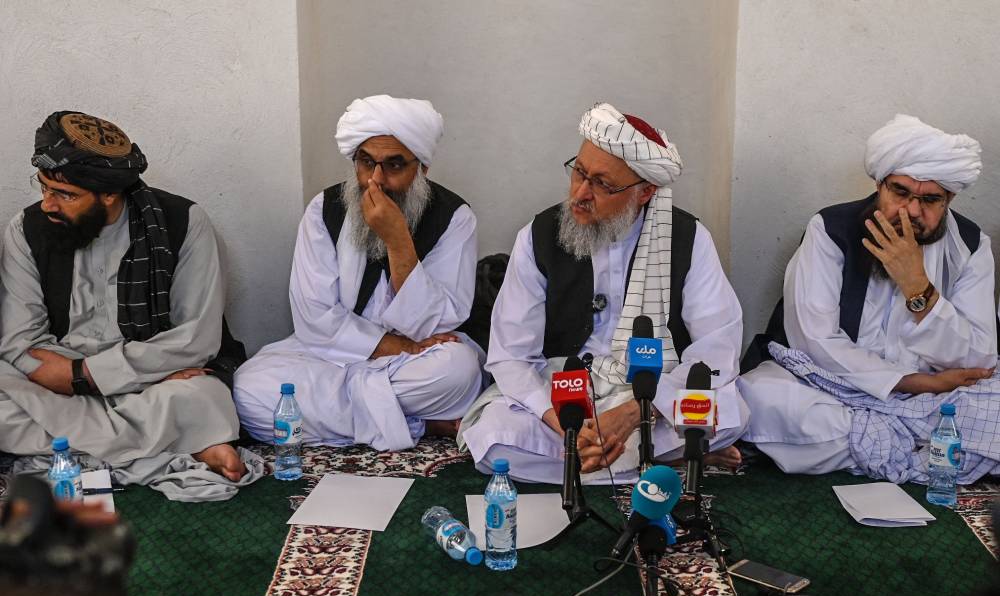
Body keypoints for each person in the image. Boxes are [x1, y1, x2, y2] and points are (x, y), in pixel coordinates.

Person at [459, 103, 748, 483]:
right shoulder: (538, 235)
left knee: (731, 411)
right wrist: (565, 423)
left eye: (602, 184)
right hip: (563, 385)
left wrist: (635, 414)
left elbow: (716, 347)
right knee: (494, 438)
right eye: (579, 172)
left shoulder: (688, 239)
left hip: (651, 391)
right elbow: (511, 355)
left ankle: (590, 461)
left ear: (645, 192)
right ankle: (665, 458)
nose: (580, 193)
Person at [740, 114, 998, 478]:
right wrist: (911, 382)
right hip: (830, 387)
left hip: (935, 399)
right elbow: (813, 340)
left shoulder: (971, 246)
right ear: (880, 185)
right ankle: (923, 450)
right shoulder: (831, 229)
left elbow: (980, 357)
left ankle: (874, 445)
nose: (911, 211)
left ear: (949, 199)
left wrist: (917, 287)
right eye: (901, 192)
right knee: (761, 398)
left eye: (930, 199)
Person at [0, 111, 246, 481]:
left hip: (150, 379)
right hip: (67, 381)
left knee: (199, 395)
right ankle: (182, 442)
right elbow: (21, 341)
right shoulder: (26, 229)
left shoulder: (183, 222)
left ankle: (84, 447)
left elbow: (195, 338)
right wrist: (68, 377)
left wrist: (83, 376)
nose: (48, 204)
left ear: (110, 194)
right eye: (44, 187)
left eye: (65, 194)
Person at [233, 95, 482, 451]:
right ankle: (419, 422)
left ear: (422, 168)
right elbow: (314, 317)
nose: (376, 180)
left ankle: (365, 416)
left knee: (459, 371)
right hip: (331, 355)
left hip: (412, 363)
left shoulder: (455, 218)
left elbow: (441, 320)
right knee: (249, 389)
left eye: (394, 165)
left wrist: (398, 241)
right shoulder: (323, 210)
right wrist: (396, 346)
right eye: (366, 162)